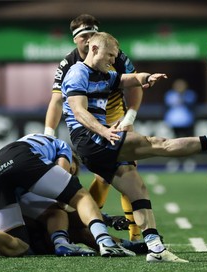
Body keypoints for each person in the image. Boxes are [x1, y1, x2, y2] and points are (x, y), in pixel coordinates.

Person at [61, 31, 207, 262]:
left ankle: (155, 249)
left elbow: (126, 79)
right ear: (94, 49)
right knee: (158, 144)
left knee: (138, 190)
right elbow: (78, 110)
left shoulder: (103, 73)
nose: (114, 61)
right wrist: (104, 130)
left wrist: (146, 77)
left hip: (94, 144)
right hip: (91, 139)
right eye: (110, 55)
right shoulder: (78, 72)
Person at [44, 14, 143, 241]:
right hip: (89, 119)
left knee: (128, 169)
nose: (89, 40)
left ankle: (135, 234)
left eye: (92, 34)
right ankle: (87, 223)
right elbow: (57, 100)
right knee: (102, 175)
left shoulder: (115, 56)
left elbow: (136, 83)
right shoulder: (68, 64)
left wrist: (130, 115)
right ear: (75, 40)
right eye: (83, 36)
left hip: (115, 116)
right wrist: (49, 133)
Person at [0, 133, 136, 258]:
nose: (71, 174)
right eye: (73, 170)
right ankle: (104, 241)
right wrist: (106, 219)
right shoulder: (63, 147)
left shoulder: (33, 145)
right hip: (20, 159)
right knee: (80, 197)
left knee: (18, 246)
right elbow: (62, 196)